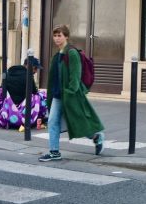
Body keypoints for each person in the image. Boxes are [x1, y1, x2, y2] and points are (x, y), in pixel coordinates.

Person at [39, 24, 105, 162]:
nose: (57, 38)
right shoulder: (57, 55)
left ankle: (96, 136)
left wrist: (69, 92)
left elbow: (75, 76)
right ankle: (54, 152)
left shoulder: (71, 53)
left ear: (66, 36)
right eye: (55, 36)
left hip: (70, 95)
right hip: (58, 95)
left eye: (60, 35)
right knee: (53, 122)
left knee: (77, 121)